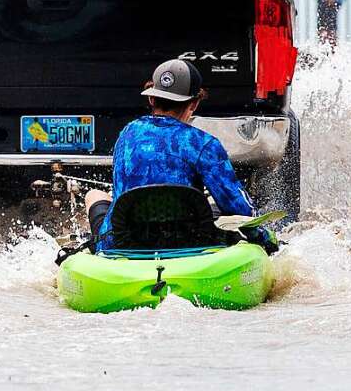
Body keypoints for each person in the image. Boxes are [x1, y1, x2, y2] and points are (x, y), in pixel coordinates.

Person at [84, 59, 278, 252]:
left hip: (124, 242)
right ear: (194, 104)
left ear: (151, 99)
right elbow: (239, 208)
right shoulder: (203, 143)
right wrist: (266, 242)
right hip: (187, 242)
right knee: (212, 205)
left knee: (95, 195)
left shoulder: (127, 134)